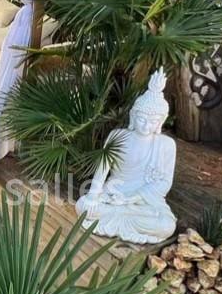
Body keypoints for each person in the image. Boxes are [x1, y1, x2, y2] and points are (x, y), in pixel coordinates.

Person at [75, 69, 177, 244]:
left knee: (166, 225)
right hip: (114, 193)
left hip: (143, 200)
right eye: (142, 118)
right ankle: (121, 218)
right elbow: (102, 170)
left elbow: (164, 183)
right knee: (83, 207)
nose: (146, 125)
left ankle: (119, 219)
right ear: (133, 116)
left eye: (153, 121)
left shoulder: (166, 145)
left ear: (161, 122)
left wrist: (133, 198)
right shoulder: (118, 135)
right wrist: (93, 196)